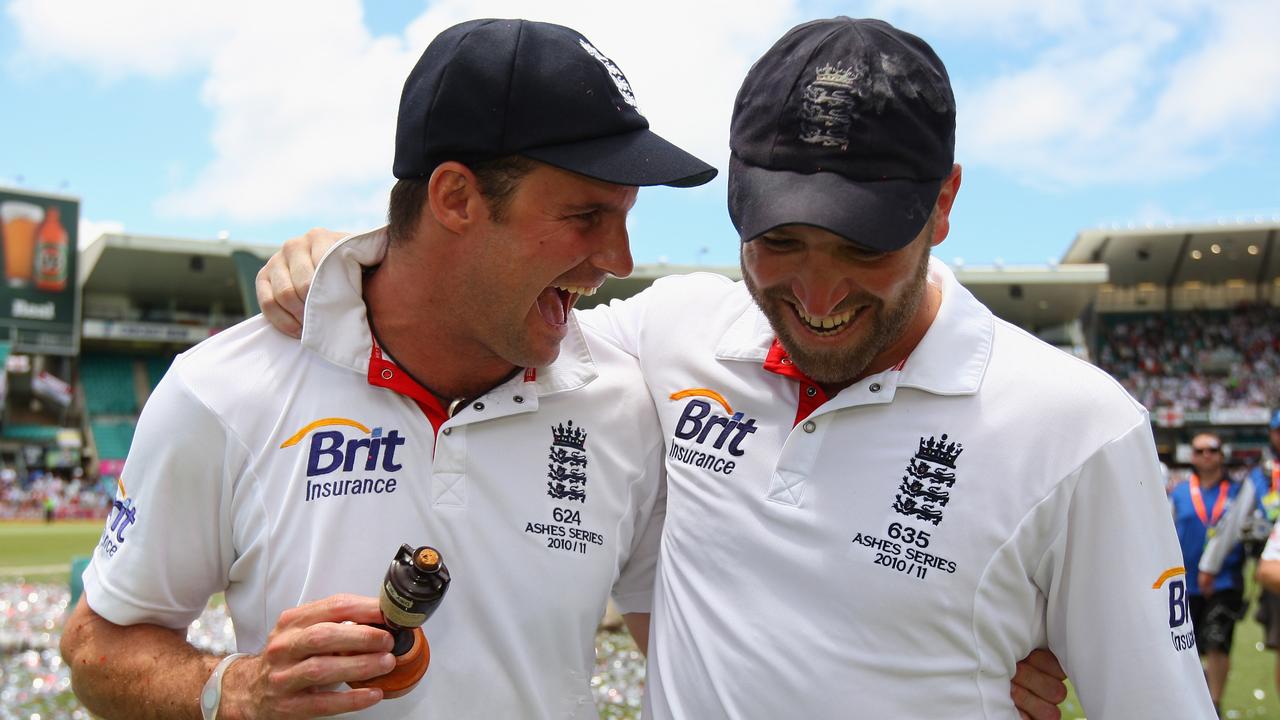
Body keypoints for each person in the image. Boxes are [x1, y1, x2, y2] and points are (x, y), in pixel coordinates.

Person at [254, 17, 1177, 720]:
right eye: (777, 240)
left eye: (862, 247)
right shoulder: (675, 335)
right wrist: (359, 258)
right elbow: (484, 299)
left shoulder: (1077, 431)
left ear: (943, 205)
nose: (816, 292)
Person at [62, 19, 712, 720]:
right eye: (587, 216)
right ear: (456, 197)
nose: (619, 259)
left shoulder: (626, 403)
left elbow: (689, 664)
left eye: (625, 218)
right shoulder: (223, 389)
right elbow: (96, 648)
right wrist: (235, 691)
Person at [1204, 409, 1280, 702]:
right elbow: (1233, 523)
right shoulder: (1262, 473)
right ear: (1272, 434)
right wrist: (1210, 565)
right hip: (1274, 564)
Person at [1171, 431, 1244, 713]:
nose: (1206, 455)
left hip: (1224, 580)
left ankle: (1214, 707)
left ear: (1221, 455)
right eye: (1199, 450)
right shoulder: (1179, 492)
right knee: (1184, 646)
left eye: (1212, 449)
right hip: (1184, 582)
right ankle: (1188, 703)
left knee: (1217, 641)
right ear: (1192, 456)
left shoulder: (1238, 491)